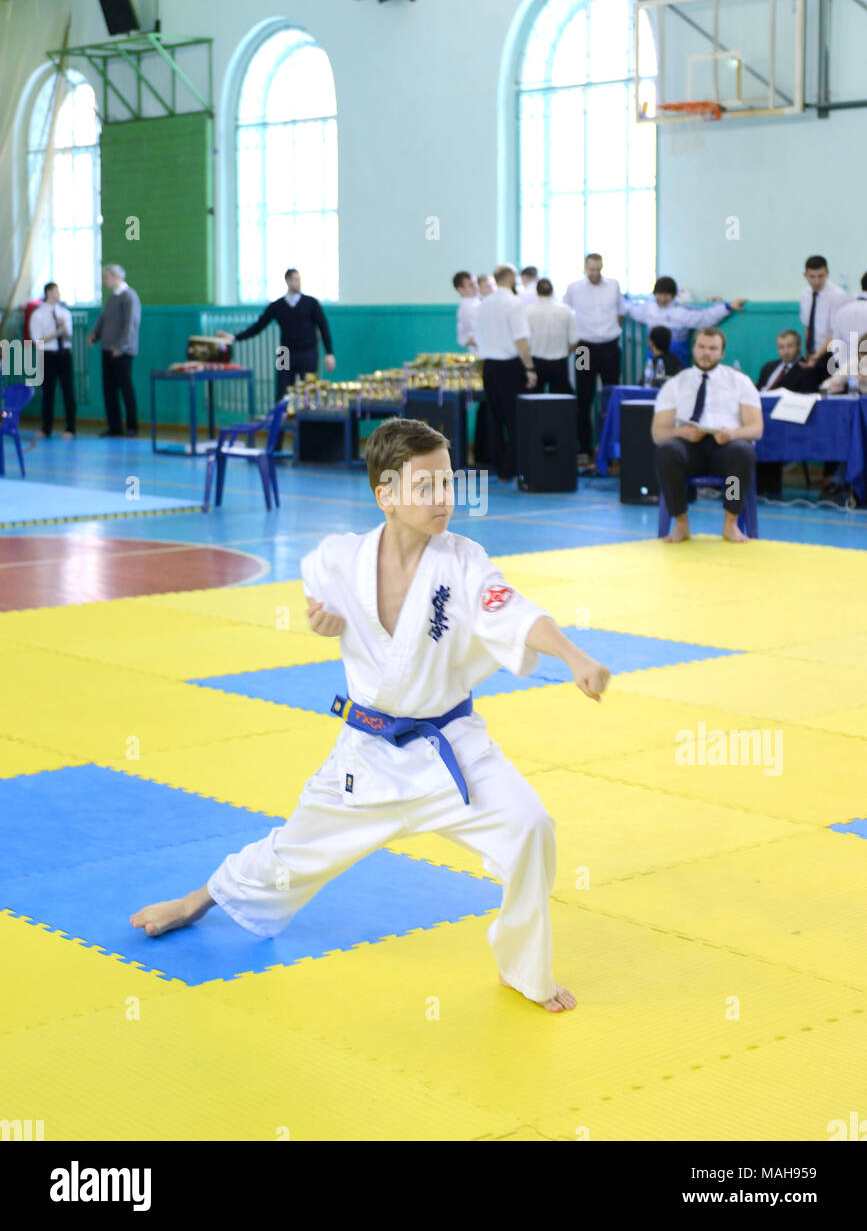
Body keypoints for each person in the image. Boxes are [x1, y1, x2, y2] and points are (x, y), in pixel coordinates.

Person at [130, 417, 611, 1012]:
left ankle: (524, 969)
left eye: (448, 483)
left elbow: (514, 611)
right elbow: (315, 582)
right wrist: (317, 612)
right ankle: (197, 900)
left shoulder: (463, 561)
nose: (443, 498)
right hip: (366, 754)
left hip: (450, 750)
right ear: (385, 495)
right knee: (293, 853)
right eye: (426, 486)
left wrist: (574, 655)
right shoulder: (341, 559)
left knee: (531, 829)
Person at [651, 327, 763, 544]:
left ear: (722, 353)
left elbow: (756, 428)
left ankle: (730, 522)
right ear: (693, 349)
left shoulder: (740, 382)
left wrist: (733, 434)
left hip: (725, 447)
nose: (706, 353)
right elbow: (658, 433)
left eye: (713, 349)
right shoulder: (675, 384)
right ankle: (681, 522)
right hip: (689, 447)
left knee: (743, 452)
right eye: (701, 347)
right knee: (666, 451)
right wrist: (679, 432)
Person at [217, 269, 335, 403]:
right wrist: (235, 337)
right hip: (284, 352)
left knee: (308, 391)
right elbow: (258, 326)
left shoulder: (311, 303)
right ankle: (281, 421)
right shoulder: (277, 306)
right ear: (288, 281)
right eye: (295, 280)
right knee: (282, 391)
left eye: (299, 279)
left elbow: (323, 327)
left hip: (308, 351)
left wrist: (329, 352)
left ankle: (306, 422)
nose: (298, 283)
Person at [473, 264, 536, 481]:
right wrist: (529, 367)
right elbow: (520, 339)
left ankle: (499, 465)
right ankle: (512, 466)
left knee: (494, 417)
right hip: (509, 366)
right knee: (514, 419)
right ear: (510, 279)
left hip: (488, 366)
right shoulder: (514, 303)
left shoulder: (482, 305)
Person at [563, 253, 624, 464]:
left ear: (602, 267)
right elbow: (567, 312)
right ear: (585, 268)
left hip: (609, 346)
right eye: (591, 269)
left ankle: (612, 449)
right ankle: (584, 448)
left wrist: (608, 332)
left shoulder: (614, 286)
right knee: (584, 397)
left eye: (598, 269)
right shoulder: (574, 288)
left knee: (612, 396)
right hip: (584, 348)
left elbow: (620, 314)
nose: (595, 273)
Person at [756, 329, 825, 496]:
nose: (785, 351)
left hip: (785, 423)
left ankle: (767, 487)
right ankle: (734, 488)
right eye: (781, 347)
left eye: (789, 346)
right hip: (759, 416)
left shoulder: (807, 370)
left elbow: (806, 398)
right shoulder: (769, 367)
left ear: (799, 346)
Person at [622, 276, 746, 368]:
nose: (662, 298)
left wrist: (728, 307)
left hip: (678, 362)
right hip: (653, 362)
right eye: (659, 294)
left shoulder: (682, 312)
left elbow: (705, 317)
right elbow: (630, 309)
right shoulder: (648, 308)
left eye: (666, 295)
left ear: (673, 295)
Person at [87, 265, 141, 437]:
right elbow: (103, 319)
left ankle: (132, 426)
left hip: (122, 352)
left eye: (107, 277)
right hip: (107, 349)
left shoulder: (129, 297)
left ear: (116, 276)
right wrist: (94, 335)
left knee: (126, 389)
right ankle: (114, 426)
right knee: (109, 390)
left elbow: (130, 325)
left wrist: (120, 347)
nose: (105, 281)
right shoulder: (111, 299)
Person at [29, 282, 76, 439]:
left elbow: (69, 337)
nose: (58, 294)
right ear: (49, 292)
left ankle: (71, 428)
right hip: (47, 356)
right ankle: (46, 428)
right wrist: (57, 332)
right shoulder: (38, 315)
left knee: (68, 392)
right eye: (56, 291)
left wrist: (64, 329)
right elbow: (38, 340)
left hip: (64, 355)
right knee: (48, 393)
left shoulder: (65, 313)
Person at [526, 277, 578, 393]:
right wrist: (565, 351)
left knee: (535, 401)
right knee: (560, 401)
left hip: (536, 361)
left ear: (537, 292)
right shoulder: (565, 310)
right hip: (559, 361)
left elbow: (524, 340)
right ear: (552, 291)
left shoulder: (528, 311)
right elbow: (574, 340)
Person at [800, 256, 848, 367]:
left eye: (820, 276)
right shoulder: (805, 295)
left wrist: (816, 357)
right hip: (813, 355)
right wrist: (809, 355)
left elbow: (835, 332)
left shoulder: (838, 296)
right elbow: (807, 327)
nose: (816, 281)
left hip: (832, 354)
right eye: (812, 277)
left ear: (827, 273)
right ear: (805, 275)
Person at [452, 270, 480, 350]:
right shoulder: (467, 309)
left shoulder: (478, 302)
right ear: (461, 289)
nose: (476, 287)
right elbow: (463, 339)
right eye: (471, 285)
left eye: (476, 283)